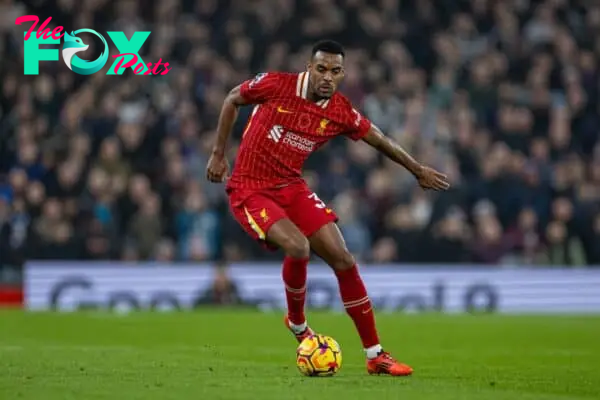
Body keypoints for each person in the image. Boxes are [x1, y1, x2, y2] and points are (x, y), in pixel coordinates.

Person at [206, 40, 450, 376]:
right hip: (250, 187)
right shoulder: (276, 85)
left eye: (335, 71)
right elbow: (232, 98)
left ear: (343, 74)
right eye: (321, 69)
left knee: (343, 258)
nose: (327, 77)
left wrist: (417, 169)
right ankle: (297, 323)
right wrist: (219, 153)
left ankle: (375, 355)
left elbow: (377, 137)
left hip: (291, 186)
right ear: (309, 67)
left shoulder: (339, 110)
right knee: (298, 246)